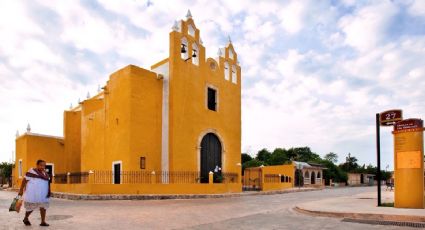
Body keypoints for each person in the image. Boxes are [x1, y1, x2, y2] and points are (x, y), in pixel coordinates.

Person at [18, 159, 51, 227]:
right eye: (41, 165)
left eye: (44, 166)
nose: (42, 167)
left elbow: (47, 183)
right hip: (33, 193)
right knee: (31, 208)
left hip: (43, 194)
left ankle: (43, 221)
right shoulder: (32, 171)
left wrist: (48, 191)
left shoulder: (45, 173)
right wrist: (21, 190)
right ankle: (26, 218)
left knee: (43, 207)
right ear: (37, 165)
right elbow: (24, 180)